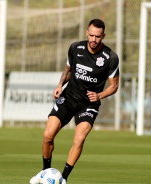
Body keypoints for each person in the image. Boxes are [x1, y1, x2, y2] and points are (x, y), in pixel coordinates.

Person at [29, 18, 119, 184]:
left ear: (103, 36)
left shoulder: (110, 57)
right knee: (48, 135)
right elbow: (68, 70)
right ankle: (44, 173)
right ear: (87, 32)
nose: (93, 39)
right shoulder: (75, 48)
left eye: (98, 36)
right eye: (91, 35)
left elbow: (114, 86)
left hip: (89, 104)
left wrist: (100, 95)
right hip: (68, 97)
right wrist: (59, 85)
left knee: (79, 139)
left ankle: (63, 179)